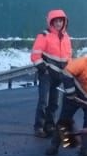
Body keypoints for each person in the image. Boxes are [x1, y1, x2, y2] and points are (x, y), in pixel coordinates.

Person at [29, 9, 73, 137]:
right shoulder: (44, 35)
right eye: (56, 21)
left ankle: (50, 125)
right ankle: (39, 127)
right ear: (51, 22)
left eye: (61, 21)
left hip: (59, 75)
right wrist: (44, 69)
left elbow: (69, 56)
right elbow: (35, 55)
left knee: (54, 102)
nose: (59, 23)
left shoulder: (66, 37)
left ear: (64, 22)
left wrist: (69, 71)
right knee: (44, 101)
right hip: (47, 74)